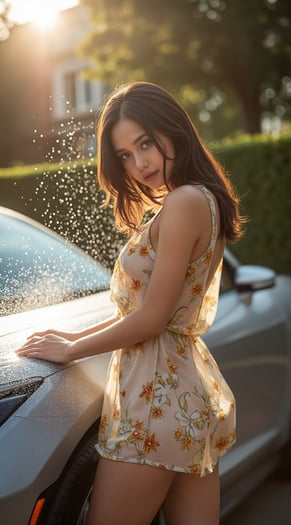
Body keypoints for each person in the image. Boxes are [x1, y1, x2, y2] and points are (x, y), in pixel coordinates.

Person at [16, 81, 244, 525]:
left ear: (173, 130)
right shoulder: (204, 199)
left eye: (145, 144)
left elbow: (152, 318)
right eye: (125, 154)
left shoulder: (182, 203)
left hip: (153, 406)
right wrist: (73, 334)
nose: (139, 163)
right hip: (184, 399)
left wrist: (70, 350)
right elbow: (147, 313)